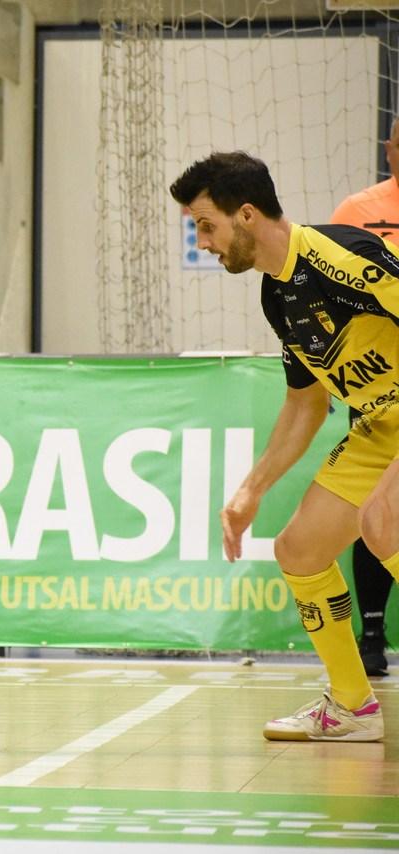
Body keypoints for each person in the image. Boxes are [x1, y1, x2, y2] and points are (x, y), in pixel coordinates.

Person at [170, 151, 397, 742]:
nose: (203, 242)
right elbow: (306, 403)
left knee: (384, 523)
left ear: (246, 215)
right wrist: (250, 491)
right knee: (299, 550)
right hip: (376, 427)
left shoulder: (337, 255)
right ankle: (353, 708)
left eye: (206, 224)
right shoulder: (278, 295)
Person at [327, 118, 399, 678]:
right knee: (373, 510)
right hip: (377, 387)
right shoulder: (358, 210)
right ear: (388, 149)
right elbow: (328, 295)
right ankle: (370, 633)